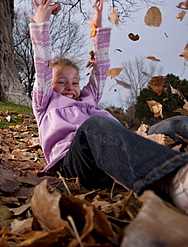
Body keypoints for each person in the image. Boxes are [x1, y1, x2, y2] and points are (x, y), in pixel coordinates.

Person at [28, 0, 188, 214]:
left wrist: (99, 28)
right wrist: (42, 25)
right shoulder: (45, 103)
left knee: (173, 124)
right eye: (61, 81)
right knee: (94, 125)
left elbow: (101, 68)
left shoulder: (88, 97)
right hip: (77, 162)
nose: (70, 87)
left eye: (75, 82)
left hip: (118, 152)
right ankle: (174, 179)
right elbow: (43, 68)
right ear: (49, 85)